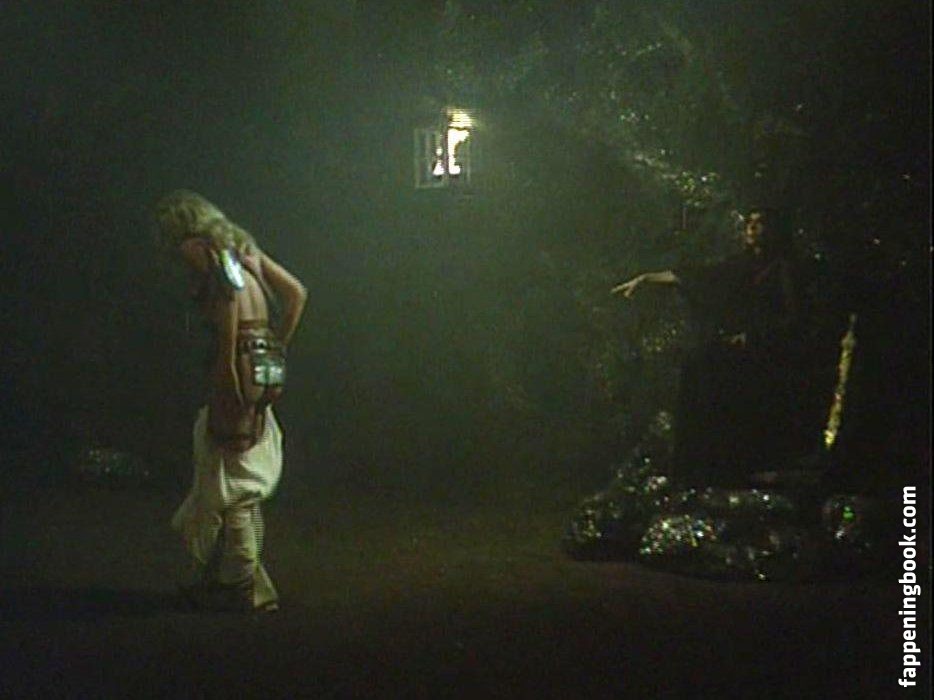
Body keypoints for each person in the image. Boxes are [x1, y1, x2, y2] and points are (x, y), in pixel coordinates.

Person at [155, 190, 307, 612]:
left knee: (234, 480)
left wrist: (228, 369)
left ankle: (242, 588)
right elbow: (296, 294)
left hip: (238, 361)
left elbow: (228, 306)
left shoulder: (199, 248)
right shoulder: (242, 245)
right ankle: (231, 580)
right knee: (236, 468)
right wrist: (276, 346)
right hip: (263, 361)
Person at [612, 207, 800, 486]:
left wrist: (754, 336)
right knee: (695, 369)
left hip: (765, 356)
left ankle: (738, 469)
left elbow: (793, 318)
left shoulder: (784, 269)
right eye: (749, 222)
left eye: (760, 223)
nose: (751, 228)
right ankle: (693, 469)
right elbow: (702, 276)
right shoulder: (741, 264)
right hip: (734, 349)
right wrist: (648, 278)